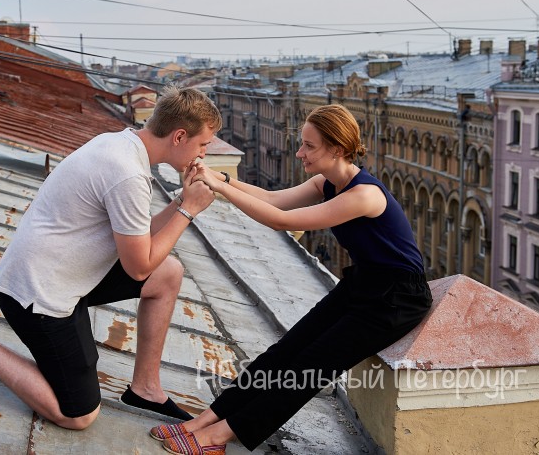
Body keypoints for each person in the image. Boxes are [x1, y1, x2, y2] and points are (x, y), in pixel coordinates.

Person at [0, 85, 222, 430]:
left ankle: (145, 388)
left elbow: (141, 238)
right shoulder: (129, 174)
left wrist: (180, 203)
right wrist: (189, 211)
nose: (203, 155)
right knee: (78, 415)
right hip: (37, 297)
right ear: (179, 136)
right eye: (203, 144)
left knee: (168, 273)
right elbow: (137, 268)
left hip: (59, 274)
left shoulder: (120, 143)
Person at [150, 104, 433, 455]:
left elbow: (280, 221)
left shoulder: (365, 195)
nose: (300, 153)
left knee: (307, 369)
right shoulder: (326, 183)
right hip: (364, 284)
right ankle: (206, 419)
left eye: (309, 146)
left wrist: (215, 186)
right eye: (301, 144)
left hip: (396, 299)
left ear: (338, 149)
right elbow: (274, 200)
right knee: (284, 352)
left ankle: (218, 437)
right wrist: (220, 178)